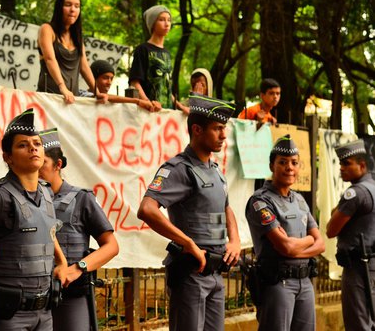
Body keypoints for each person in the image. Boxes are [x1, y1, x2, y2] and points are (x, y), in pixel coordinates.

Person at [137, 93, 241, 331]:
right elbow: (146, 209)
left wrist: (234, 241)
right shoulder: (179, 169)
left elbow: (226, 207)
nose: (224, 135)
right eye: (217, 128)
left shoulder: (215, 170)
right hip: (191, 272)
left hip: (215, 273)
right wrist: (188, 243)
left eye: (224, 128)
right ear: (197, 129)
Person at [0, 109, 68, 330]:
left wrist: (62, 262)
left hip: (44, 311)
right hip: (8, 314)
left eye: (37, 144)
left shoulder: (47, 193)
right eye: (23, 145)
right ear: (7, 157)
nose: (33, 148)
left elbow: (49, 232)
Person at [38, 128, 119, 331]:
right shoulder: (23, 200)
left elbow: (111, 246)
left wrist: (78, 268)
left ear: (58, 165)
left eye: (43, 163)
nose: (36, 168)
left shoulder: (81, 198)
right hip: (34, 297)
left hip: (70, 295)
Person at [245, 135, 325, 331]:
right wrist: (307, 241)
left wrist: (297, 246)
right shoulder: (261, 202)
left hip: (305, 282)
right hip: (278, 283)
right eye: (283, 162)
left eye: (294, 163)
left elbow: (320, 244)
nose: (289, 167)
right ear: (272, 165)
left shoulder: (299, 200)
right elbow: (285, 246)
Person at [326, 139, 375, 331]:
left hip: (358, 268)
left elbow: (331, 230)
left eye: (347, 164)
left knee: (358, 322)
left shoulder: (355, 194)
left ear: (361, 165)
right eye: (340, 164)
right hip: (371, 264)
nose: (341, 168)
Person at [37, 0, 106, 104]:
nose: (73, 9)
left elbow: (84, 67)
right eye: (68, 5)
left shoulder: (77, 37)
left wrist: (96, 91)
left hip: (72, 101)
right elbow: (50, 59)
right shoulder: (47, 29)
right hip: (48, 99)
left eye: (77, 6)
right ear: (59, 7)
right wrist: (62, 87)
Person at [129, 5, 174, 112]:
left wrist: (180, 106)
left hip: (167, 113)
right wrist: (147, 102)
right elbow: (134, 82)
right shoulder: (142, 49)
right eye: (161, 20)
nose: (167, 24)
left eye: (169, 20)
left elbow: (167, 88)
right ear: (152, 23)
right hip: (147, 111)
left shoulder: (167, 53)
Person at [90, 60, 154, 112]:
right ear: (93, 78)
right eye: (105, 78)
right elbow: (103, 96)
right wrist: (137, 101)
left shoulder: (114, 102)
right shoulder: (82, 96)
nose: (109, 83)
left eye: (111, 79)